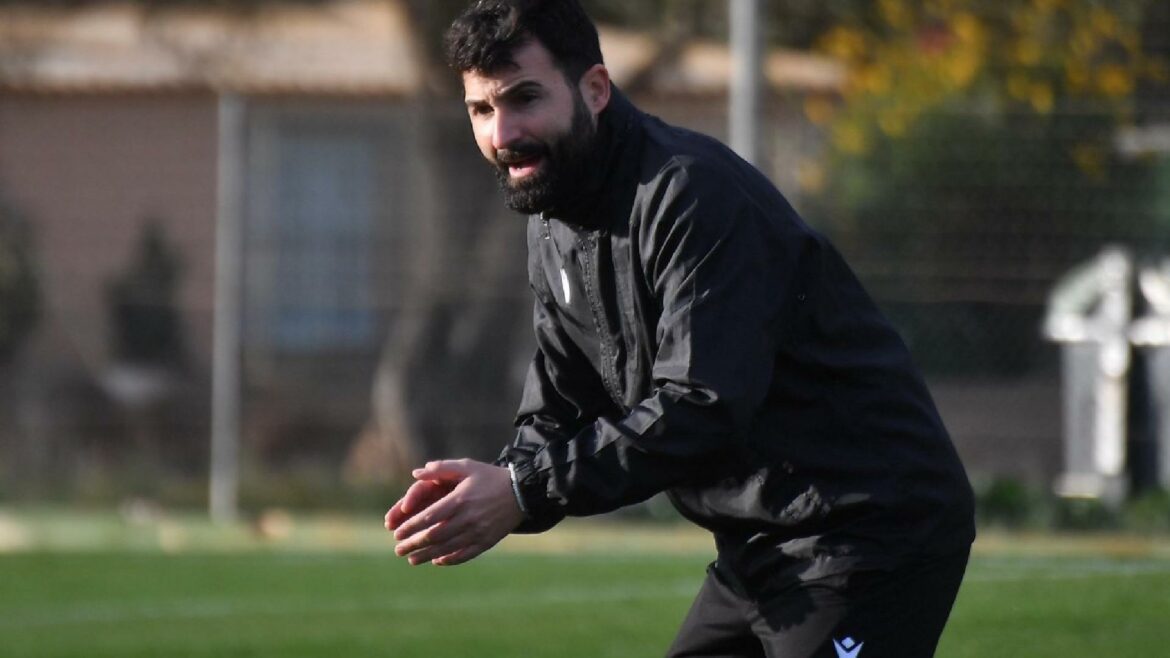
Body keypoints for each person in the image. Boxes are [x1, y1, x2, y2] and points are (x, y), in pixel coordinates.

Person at [385, 1, 975, 656]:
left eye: (525, 98)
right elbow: (559, 409)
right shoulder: (552, 222)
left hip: (870, 529)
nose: (503, 133)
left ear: (595, 90)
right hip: (760, 546)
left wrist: (525, 491)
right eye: (482, 110)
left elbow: (702, 405)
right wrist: (493, 487)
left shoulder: (691, 195)